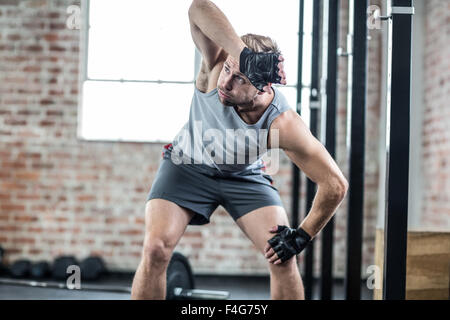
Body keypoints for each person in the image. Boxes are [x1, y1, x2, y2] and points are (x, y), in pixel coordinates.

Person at [131, 0, 348, 300]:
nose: (226, 82)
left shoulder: (283, 124)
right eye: (229, 70)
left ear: (263, 88)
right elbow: (198, 8)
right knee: (155, 248)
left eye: (240, 79)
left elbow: (335, 184)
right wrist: (242, 56)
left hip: (243, 177)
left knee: (282, 257)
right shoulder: (215, 63)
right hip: (185, 165)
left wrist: (301, 236)